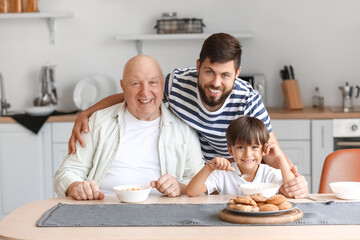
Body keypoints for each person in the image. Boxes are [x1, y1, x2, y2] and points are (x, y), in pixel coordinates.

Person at [67, 33, 308, 199]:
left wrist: (293, 179)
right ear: (197, 67)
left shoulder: (248, 100)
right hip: (201, 176)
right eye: (209, 72)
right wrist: (88, 113)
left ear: (237, 73)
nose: (216, 83)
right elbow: (139, 95)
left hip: (232, 175)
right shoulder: (176, 84)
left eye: (225, 75)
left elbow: (270, 151)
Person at [54, 55, 204, 200]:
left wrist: (180, 187)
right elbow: (67, 172)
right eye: (135, 83)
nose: (145, 92)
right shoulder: (98, 122)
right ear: (123, 87)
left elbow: (200, 181)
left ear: (162, 85)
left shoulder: (183, 128)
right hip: (102, 210)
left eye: (152, 82)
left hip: (163, 215)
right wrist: (77, 187)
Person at [186, 116, 295, 197]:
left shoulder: (269, 174)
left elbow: (291, 190)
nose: (248, 154)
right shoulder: (223, 174)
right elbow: (191, 192)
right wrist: (209, 167)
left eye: (255, 147)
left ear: (264, 150)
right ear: (230, 150)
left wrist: (280, 158)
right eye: (240, 147)